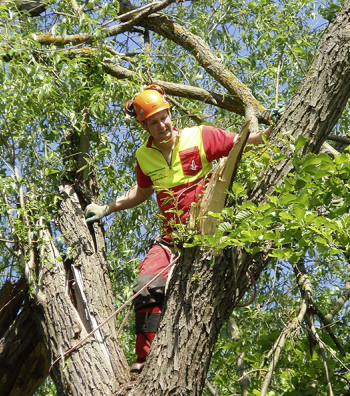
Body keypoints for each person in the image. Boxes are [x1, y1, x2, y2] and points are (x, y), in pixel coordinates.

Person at [85, 85, 282, 372]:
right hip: (170, 239)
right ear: (145, 126)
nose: (161, 125)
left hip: (206, 232)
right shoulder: (144, 157)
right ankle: (145, 358)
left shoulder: (200, 136)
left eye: (164, 117)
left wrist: (272, 130)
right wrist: (107, 208)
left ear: (170, 113)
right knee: (145, 287)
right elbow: (141, 193)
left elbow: (244, 143)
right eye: (153, 121)